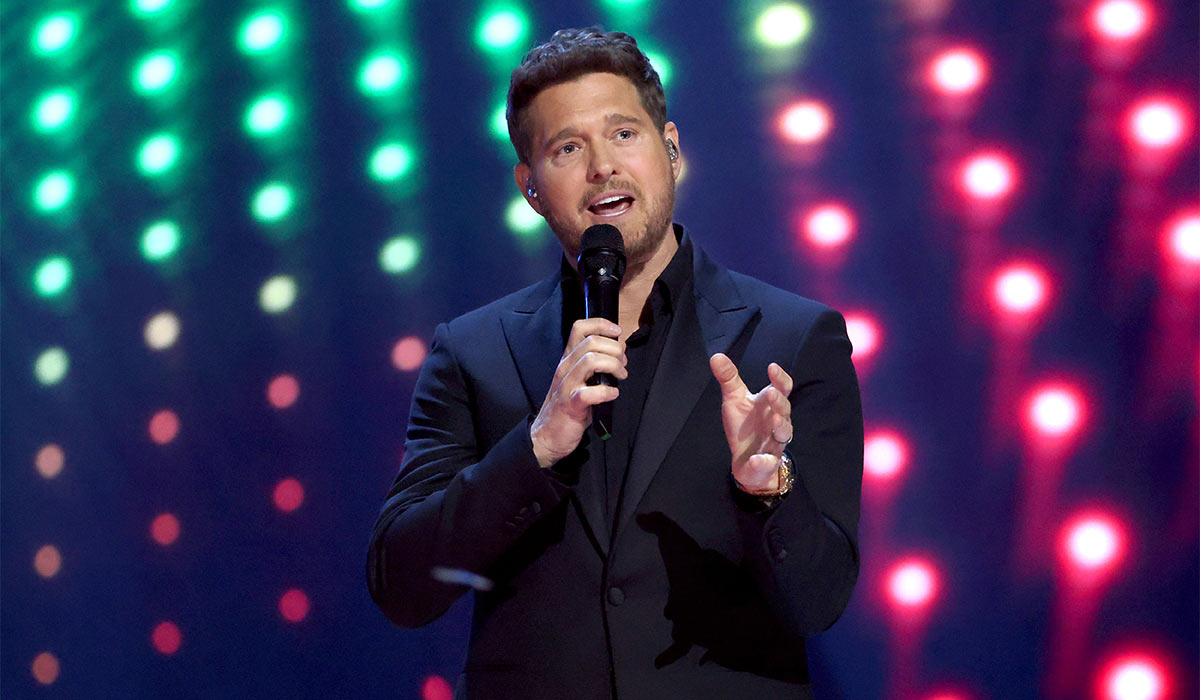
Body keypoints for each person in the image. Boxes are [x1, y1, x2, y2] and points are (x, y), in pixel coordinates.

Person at [367, 27, 863, 700]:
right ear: (530, 187)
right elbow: (399, 585)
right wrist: (534, 450)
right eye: (567, 148)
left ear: (671, 151)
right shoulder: (473, 351)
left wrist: (769, 487)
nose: (602, 165)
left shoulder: (793, 337)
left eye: (624, 133)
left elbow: (821, 600)